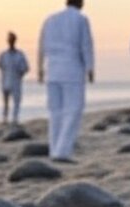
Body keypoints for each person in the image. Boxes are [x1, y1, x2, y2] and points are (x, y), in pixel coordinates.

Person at [38, 0, 95, 162]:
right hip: (72, 70)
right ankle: (62, 151)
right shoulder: (80, 19)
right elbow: (86, 45)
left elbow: (41, 46)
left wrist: (40, 69)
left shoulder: (50, 19)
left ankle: (54, 148)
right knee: (73, 110)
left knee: (55, 112)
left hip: (52, 70)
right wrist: (90, 67)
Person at [0, 32, 29, 125]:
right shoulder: (3, 54)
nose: (11, 41)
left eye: (12, 39)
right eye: (9, 39)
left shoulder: (20, 55)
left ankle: (15, 119)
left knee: (16, 102)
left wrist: (20, 74)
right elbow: (0, 65)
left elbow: (26, 68)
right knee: (5, 102)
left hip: (16, 81)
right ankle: (5, 118)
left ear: (15, 40)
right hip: (5, 81)